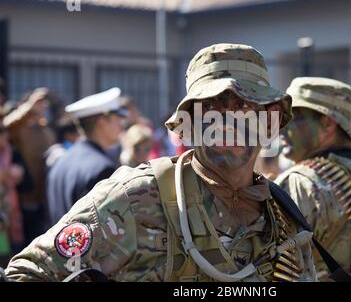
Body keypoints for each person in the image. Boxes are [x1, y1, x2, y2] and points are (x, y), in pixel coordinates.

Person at [4, 43, 318, 282]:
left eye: (243, 106)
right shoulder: (136, 198)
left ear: (268, 123)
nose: (226, 121)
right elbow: (28, 273)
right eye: (209, 108)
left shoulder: (284, 215)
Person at [275, 77, 351, 281]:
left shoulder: (300, 181)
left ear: (327, 123)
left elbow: (280, 267)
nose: (282, 128)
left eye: (294, 118)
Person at [46, 87, 126, 225]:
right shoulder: (102, 168)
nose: (121, 124)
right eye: (117, 118)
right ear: (102, 123)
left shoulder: (60, 161)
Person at [3, 88, 56, 245]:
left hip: (43, 199)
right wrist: (29, 106)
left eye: (44, 106)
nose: (42, 109)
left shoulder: (47, 131)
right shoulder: (19, 130)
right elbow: (7, 125)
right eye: (38, 105)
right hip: (21, 199)